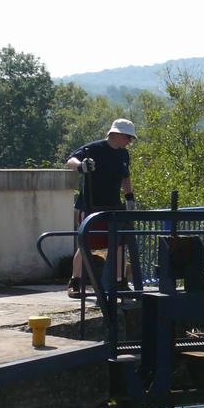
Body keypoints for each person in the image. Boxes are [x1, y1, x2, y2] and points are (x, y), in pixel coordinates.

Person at [65, 118, 137, 297]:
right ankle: (75, 281)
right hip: (90, 206)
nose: (130, 142)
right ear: (117, 134)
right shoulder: (94, 149)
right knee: (86, 244)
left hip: (113, 206)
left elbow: (125, 178)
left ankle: (121, 281)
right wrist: (81, 166)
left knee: (120, 243)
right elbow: (70, 161)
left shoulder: (123, 155)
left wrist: (129, 198)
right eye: (128, 137)